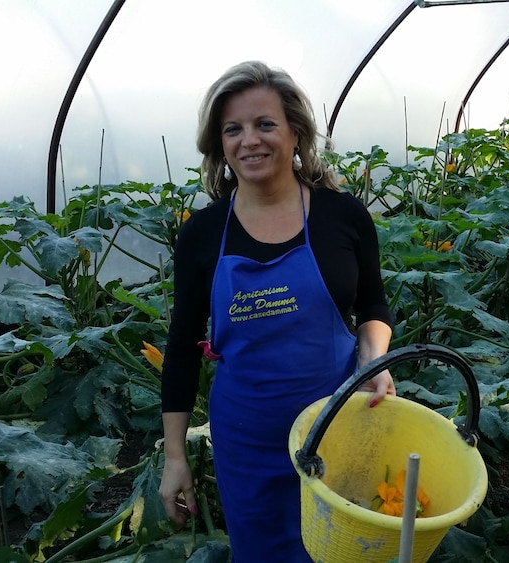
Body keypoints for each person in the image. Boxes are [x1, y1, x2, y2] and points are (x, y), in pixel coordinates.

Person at [158, 60, 395, 562]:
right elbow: (181, 348)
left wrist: (373, 360)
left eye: (264, 124)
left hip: (338, 426)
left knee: (343, 550)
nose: (250, 140)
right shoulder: (203, 233)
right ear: (220, 144)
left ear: (295, 132)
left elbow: (373, 303)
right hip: (248, 442)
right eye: (233, 129)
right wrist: (174, 456)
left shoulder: (343, 216)